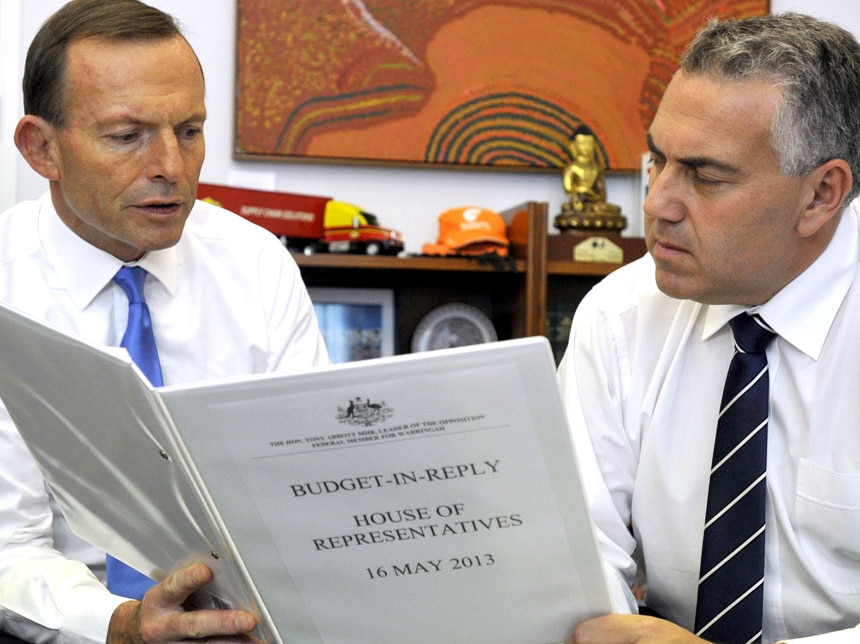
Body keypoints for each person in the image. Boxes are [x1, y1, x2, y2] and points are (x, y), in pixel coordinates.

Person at [0, 0, 329, 642]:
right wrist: (120, 625)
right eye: (128, 136)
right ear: (42, 149)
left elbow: (306, 491)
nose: (171, 169)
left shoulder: (257, 264)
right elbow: (7, 545)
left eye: (189, 131)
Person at [561, 12, 860, 644]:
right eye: (658, 161)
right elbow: (578, 553)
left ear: (821, 195)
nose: (657, 204)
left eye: (706, 175)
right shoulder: (620, 314)